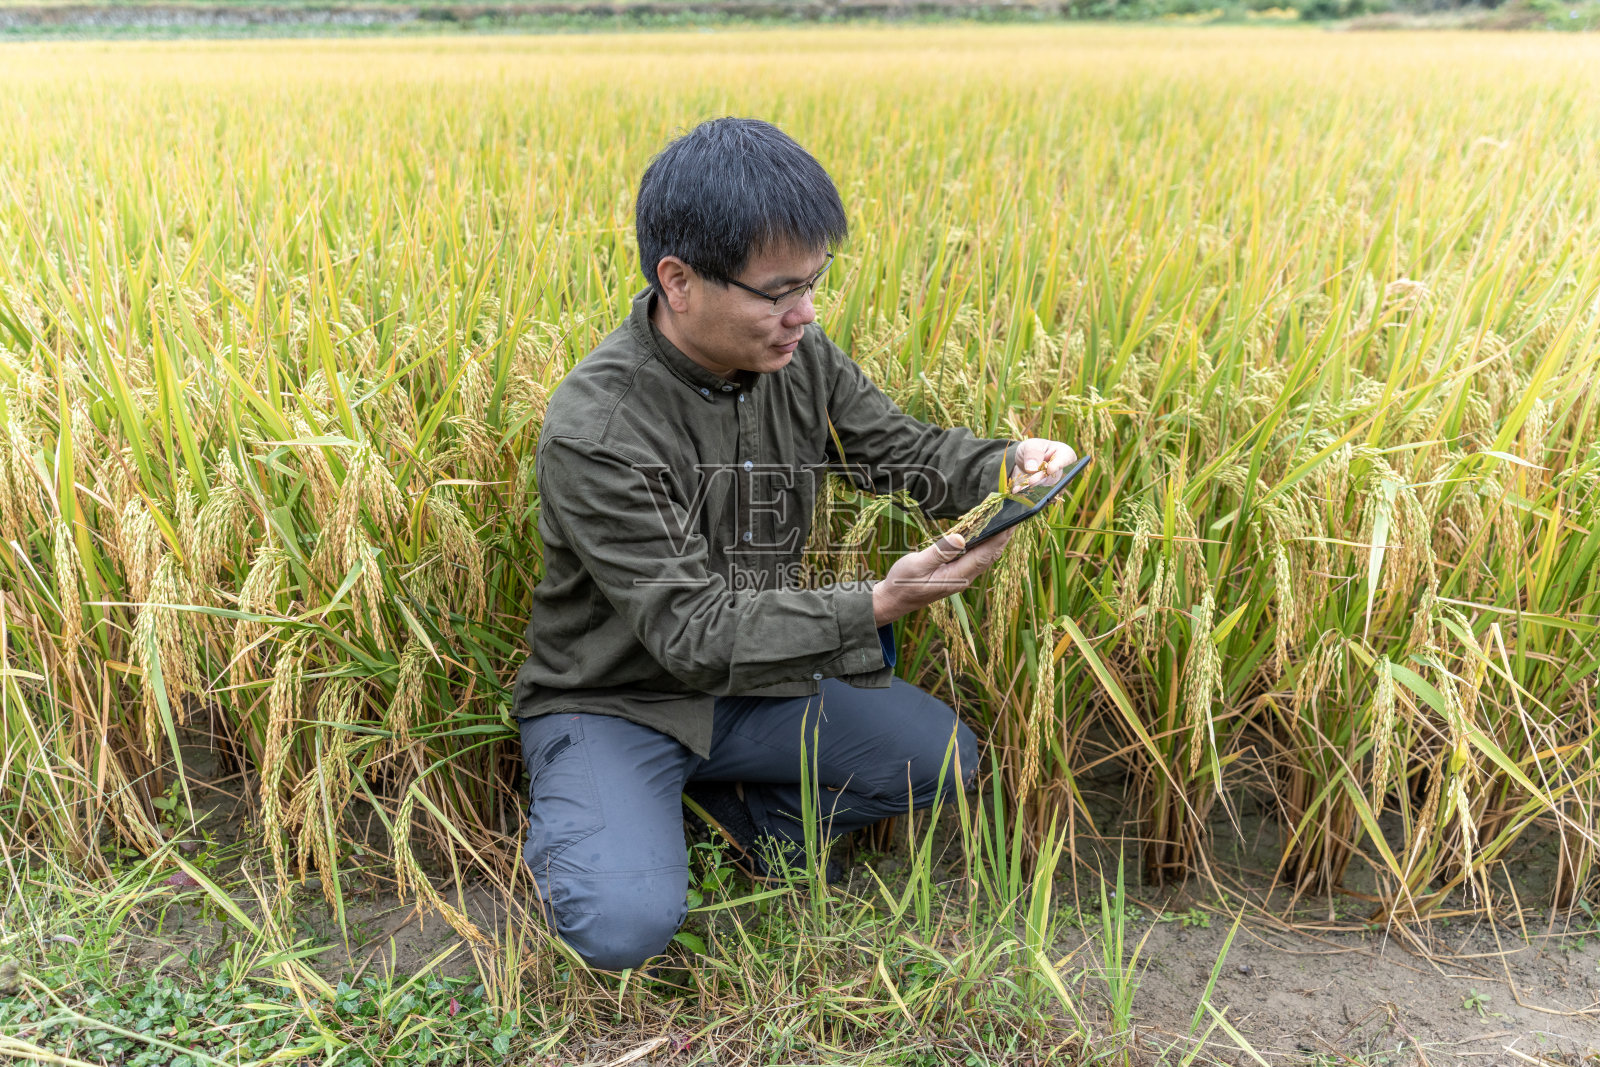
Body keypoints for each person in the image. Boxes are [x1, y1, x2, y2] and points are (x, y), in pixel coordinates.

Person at [512, 117, 1078, 971]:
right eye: (779, 292)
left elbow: (904, 455)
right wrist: (880, 601)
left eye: (814, 283)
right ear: (680, 280)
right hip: (619, 698)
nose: (804, 314)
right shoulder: (599, 428)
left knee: (938, 758)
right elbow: (692, 631)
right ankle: (604, 812)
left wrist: (1010, 466)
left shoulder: (798, 357)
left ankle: (745, 819)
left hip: (755, 684)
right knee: (621, 925)